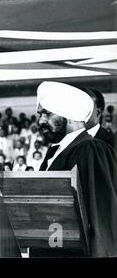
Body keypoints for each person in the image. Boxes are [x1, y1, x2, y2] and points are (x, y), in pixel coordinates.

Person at [37, 81, 117, 257]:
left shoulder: (91, 148)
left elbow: (101, 216)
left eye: (47, 114)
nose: (40, 121)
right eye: (39, 114)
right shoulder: (55, 152)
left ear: (71, 116)